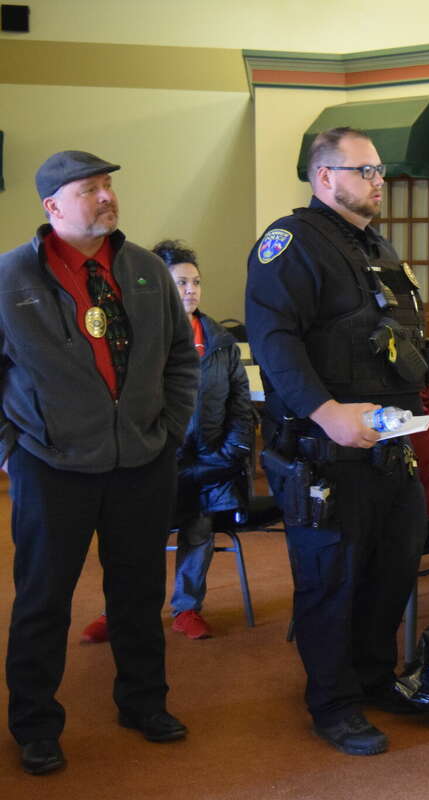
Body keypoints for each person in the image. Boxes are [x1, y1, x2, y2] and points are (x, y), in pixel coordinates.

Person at [0, 151, 198, 775]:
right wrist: (11, 449)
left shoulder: (144, 270)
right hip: (50, 464)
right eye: (90, 189)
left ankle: (143, 703)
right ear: (52, 206)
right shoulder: (11, 279)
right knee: (43, 599)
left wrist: (166, 433)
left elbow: (179, 358)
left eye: (109, 186)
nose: (107, 197)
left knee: (138, 594)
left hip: (141, 461)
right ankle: (35, 724)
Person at [245, 127, 429, 756]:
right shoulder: (290, 243)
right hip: (327, 449)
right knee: (332, 577)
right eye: (366, 170)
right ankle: (333, 703)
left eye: (381, 171)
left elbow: (391, 335)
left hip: (390, 444)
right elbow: (274, 342)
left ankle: (375, 679)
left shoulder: (374, 246)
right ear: (325, 177)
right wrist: (325, 412)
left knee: (390, 568)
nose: (379, 181)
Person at [80, 242, 255, 644]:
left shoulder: (221, 343)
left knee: (199, 530)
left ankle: (188, 608)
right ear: (159, 286)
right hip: (153, 461)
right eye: (180, 282)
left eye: (196, 282)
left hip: (210, 462)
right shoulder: (133, 339)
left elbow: (240, 408)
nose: (191, 290)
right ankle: (117, 611)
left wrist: (227, 455)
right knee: (133, 541)